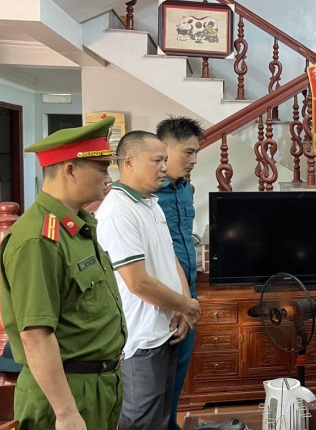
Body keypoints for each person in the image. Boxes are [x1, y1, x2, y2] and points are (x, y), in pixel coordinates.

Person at [0, 116, 126, 430]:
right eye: (102, 169)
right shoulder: (38, 239)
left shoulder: (77, 226)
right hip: (66, 393)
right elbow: (36, 336)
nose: (108, 178)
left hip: (97, 386)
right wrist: (66, 412)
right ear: (70, 170)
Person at [95, 131, 202, 430]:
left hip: (166, 327)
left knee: (162, 416)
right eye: (157, 161)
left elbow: (171, 257)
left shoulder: (150, 202)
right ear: (129, 161)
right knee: (140, 419)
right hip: (140, 337)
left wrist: (184, 304)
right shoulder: (117, 212)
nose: (165, 167)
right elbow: (137, 282)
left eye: (165, 160)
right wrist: (187, 305)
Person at [155, 116, 205, 430]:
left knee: (177, 374)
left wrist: (189, 300)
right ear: (165, 148)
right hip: (161, 298)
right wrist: (179, 302)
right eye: (188, 152)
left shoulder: (186, 189)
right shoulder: (148, 194)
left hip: (188, 292)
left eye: (196, 152)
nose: (194, 160)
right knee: (154, 381)